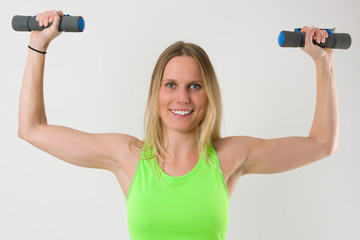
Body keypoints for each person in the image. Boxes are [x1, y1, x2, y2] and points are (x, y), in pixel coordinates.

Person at [18, 10, 338, 240]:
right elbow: (31, 128)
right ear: (156, 92)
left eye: (194, 86)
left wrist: (323, 64)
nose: (182, 98)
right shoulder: (127, 156)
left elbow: (323, 143)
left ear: (208, 94)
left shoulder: (229, 157)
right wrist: (38, 44)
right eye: (171, 85)